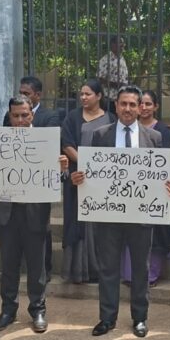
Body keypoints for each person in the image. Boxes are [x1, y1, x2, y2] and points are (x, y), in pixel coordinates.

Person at [71, 85, 170, 338]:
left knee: (140, 268)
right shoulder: (100, 135)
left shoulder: (154, 137)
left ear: (140, 108)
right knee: (108, 268)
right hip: (109, 214)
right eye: (123, 104)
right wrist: (80, 179)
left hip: (141, 215)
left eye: (132, 104)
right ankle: (107, 318)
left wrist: (169, 188)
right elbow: (93, 173)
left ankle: (140, 318)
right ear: (116, 106)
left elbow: (160, 175)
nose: (128, 109)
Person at [0, 96, 69, 333]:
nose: (20, 120)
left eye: (24, 115)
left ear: (32, 115)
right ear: (10, 117)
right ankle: (7, 311)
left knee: (36, 267)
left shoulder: (46, 141)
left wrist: (63, 169)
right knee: (9, 266)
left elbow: (59, 177)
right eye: (16, 116)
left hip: (35, 214)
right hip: (7, 214)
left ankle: (38, 310)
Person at [61, 80, 114, 285]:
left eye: (88, 94)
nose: (83, 97)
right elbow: (66, 144)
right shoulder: (72, 117)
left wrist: (99, 168)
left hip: (104, 181)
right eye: (81, 94)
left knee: (100, 224)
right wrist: (88, 164)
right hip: (78, 178)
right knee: (77, 222)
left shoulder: (111, 119)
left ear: (99, 96)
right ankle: (77, 270)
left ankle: (99, 269)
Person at [121, 89, 170, 286]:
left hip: (151, 190)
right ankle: (129, 274)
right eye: (141, 103)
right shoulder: (121, 131)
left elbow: (164, 162)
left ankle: (150, 275)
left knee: (154, 234)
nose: (144, 107)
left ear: (156, 107)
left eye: (148, 104)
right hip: (125, 191)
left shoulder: (161, 132)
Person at [96, 35, 129, 100]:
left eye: (123, 43)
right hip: (109, 97)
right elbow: (100, 79)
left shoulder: (122, 58)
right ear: (113, 45)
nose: (123, 45)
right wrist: (116, 85)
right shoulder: (105, 60)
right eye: (120, 42)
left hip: (120, 97)